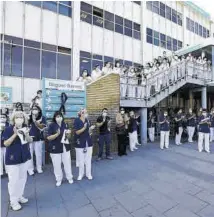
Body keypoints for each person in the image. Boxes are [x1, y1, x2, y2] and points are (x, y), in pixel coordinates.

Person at [2, 111, 32, 211]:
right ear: (13, 119)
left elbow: (29, 140)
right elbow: (6, 143)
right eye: (17, 117)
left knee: (22, 179)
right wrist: (15, 134)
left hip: (23, 158)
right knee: (13, 181)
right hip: (12, 159)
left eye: (21, 117)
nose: (19, 119)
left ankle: (20, 196)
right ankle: (13, 201)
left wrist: (27, 134)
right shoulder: (8, 129)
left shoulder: (25, 128)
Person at [47, 111, 73, 187]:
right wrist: (57, 134)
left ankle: (69, 177)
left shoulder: (65, 124)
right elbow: (49, 137)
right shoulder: (52, 125)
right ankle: (59, 179)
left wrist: (69, 134)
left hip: (65, 146)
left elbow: (68, 137)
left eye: (60, 116)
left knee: (67, 163)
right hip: (55, 148)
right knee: (57, 165)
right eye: (57, 116)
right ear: (55, 118)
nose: (59, 118)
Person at [74, 109, 95, 180]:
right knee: (81, 160)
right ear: (80, 113)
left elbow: (89, 132)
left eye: (86, 112)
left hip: (88, 142)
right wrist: (84, 128)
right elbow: (77, 132)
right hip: (80, 143)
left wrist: (90, 129)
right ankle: (81, 174)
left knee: (88, 160)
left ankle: (88, 174)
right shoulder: (76, 120)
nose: (85, 114)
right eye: (84, 112)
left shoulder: (88, 120)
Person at [27, 105, 46, 175]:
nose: (34, 110)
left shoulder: (42, 118)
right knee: (30, 155)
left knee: (38, 154)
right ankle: (30, 169)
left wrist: (35, 121)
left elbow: (42, 128)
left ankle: (39, 168)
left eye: (36, 109)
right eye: (33, 109)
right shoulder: (28, 118)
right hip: (30, 139)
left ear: (39, 110)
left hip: (39, 138)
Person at [0, 109, 10, 176]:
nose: (2, 118)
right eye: (1, 117)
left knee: (6, 158)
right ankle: (0, 172)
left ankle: (7, 171)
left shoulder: (9, 125)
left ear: (6, 118)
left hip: (7, 144)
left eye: (4, 117)